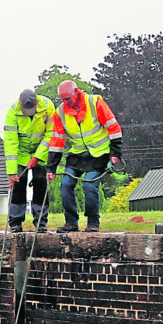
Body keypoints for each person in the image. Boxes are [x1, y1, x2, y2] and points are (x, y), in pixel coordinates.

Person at [46, 80, 123, 233]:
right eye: (62, 100)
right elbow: (57, 141)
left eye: (68, 98)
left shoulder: (96, 103)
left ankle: (93, 223)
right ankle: (71, 223)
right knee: (66, 184)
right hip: (77, 155)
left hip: (99, 154)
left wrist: (115, 153)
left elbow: (113, 127)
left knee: (89, 185)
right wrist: (51, 168)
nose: (65, 102)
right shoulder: (60, 113)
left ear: (76, 92)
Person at [4, 88, 55, 233]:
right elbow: (10, 142)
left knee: (40, 182)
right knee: (19, 184)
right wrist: (12, 172)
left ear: (37, 102)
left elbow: (51, 133)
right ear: (20, 104)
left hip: (42, 149)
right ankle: (15, 222)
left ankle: (41, 221)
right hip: (21, 151)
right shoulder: (12, 112)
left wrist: (37, 157)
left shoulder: (48, 106)